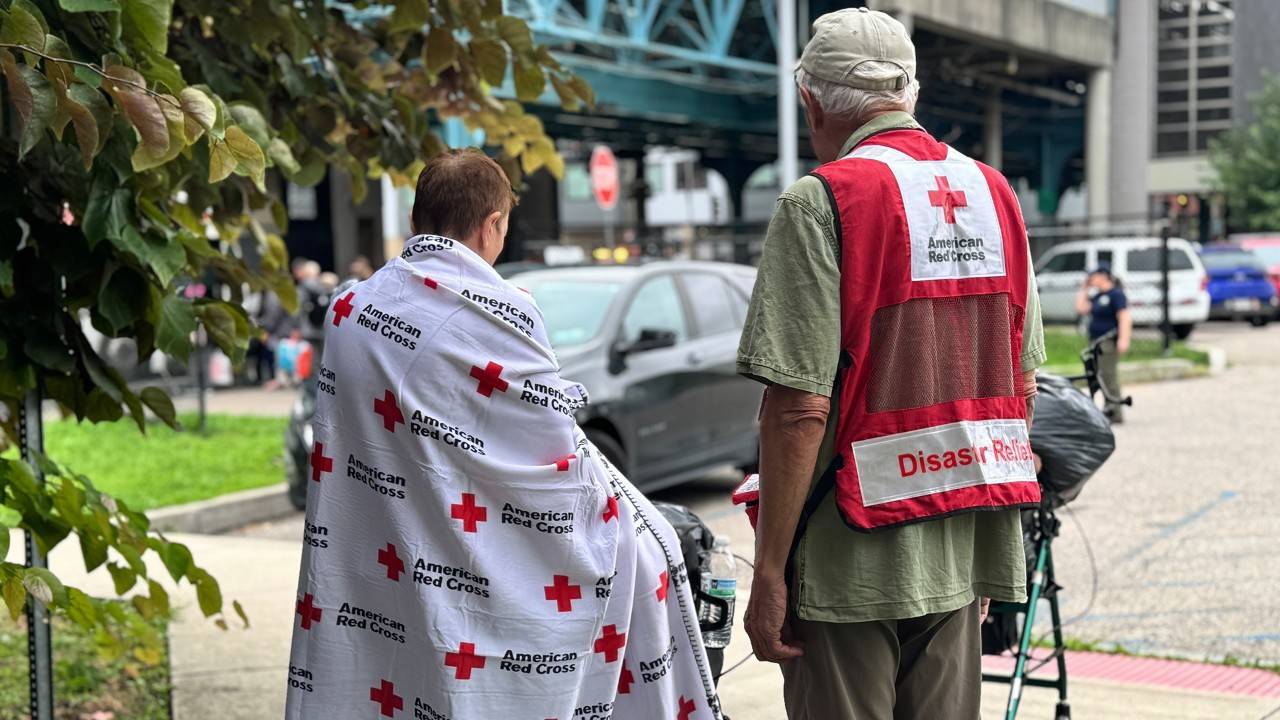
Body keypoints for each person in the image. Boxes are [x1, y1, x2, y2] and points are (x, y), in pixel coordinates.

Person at [286, 149, 720, 719]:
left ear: (416, 221)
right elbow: (550, 457)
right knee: (646, 562)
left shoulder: (349, 309)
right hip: (471, 553)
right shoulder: (507, 309)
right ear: (493, 224)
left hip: (380, 550)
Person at [735, 9, 1046, 719]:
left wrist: (772, 575)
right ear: (910, 94)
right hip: (960, 543)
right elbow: (1021, 382)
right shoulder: (995, 196)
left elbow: (799, 408)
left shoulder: (821, 203)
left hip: (850, 556)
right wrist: (992, 539)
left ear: (811, 102)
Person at [1076, 266, 1130, 422]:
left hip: (1108, 342)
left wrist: (1124, 339)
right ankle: (1108, 409)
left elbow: (1124, 317)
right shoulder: (1098, 296)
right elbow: (1081, 308)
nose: (1091, 278)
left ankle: (1115, 412)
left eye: (1093, 276)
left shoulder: (1116, 295)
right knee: (1098, 376)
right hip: (1096, 342)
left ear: (1103, 276)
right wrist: (1084, 288)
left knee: (1109, 376)